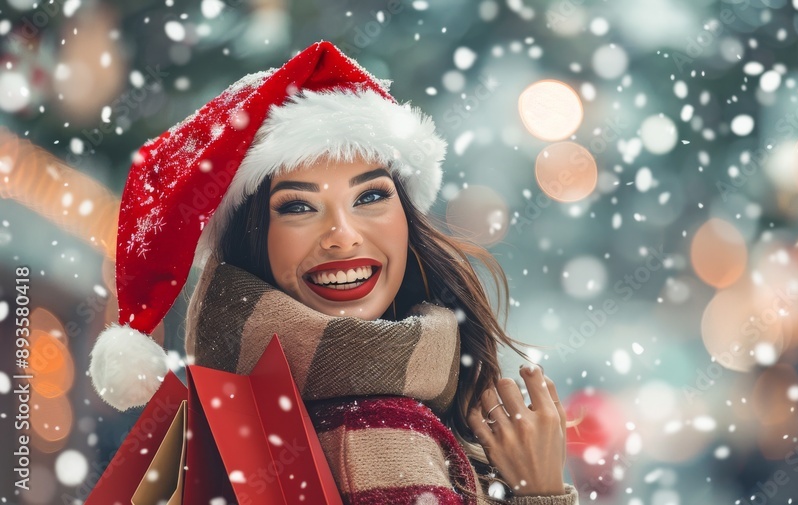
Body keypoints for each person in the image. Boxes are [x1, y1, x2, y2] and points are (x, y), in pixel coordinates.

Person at [88, 41, 579, 504]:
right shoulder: (379, 429)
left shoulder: (221, 419)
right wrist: (540, 493)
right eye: (299, 206)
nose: (342, 235)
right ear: (252, 240)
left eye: (370, 196)